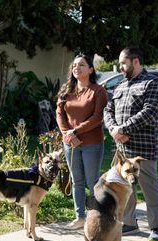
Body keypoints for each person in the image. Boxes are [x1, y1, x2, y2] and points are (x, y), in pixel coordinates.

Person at [103, 47, 158, 241]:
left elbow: (150, 111)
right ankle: (129, 222)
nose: (120, 67)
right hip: (122, 151)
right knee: (125, 187)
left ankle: (156, 227)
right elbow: (108, 110)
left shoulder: (153, 83)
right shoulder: (120, 86)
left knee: (150, 188)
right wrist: (114, 128)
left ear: (136, 61)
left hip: (144, 149)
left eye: (123, 63)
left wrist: (123, 130)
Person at [56, 54, 108, 229]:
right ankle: (80, 218)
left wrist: (75, 131)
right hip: (70, 142)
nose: (76, 68)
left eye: (82, 65)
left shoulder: (98, 91)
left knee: (92, 181)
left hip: (92, 143)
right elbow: (59, 114)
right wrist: (67, 134)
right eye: (74, 66)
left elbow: (97, 117)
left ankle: (95, 218)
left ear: (91, 69)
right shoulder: (66, 91)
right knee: (76, 180)